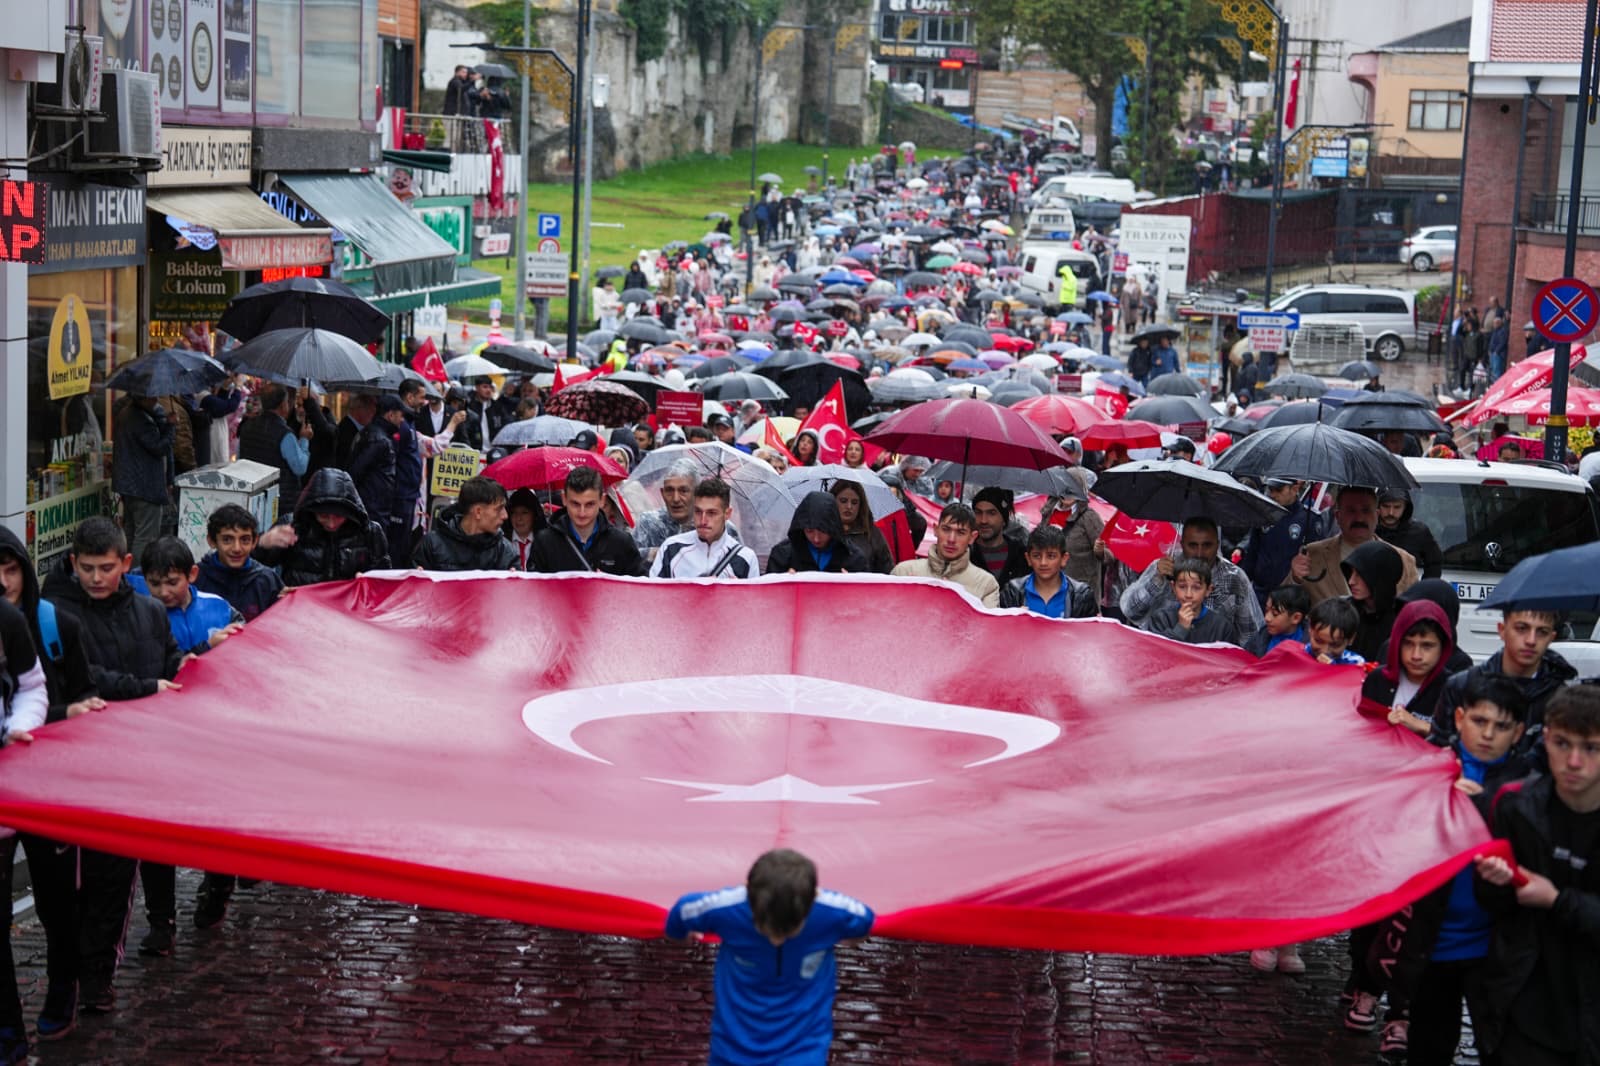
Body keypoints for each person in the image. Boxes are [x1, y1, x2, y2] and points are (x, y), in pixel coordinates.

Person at [41, 518, 182, 1014]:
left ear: (125, 564)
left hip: (137, 767)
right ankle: (77, 967)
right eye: (87, 568)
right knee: (72, 884)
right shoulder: (54, 616)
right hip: (75, 769)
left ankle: (98, 974)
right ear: (73, 564)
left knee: (114, 878)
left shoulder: (150, 613)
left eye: (106, 568)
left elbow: (173, 672)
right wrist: (142, 687)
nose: (96, 578)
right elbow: (80, 680)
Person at [1360, 675, 1535, 1064]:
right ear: (1459, 718)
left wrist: (1484, 803)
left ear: (1519, 731)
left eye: (1501, 726)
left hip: (1496, 943)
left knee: (1499, 1041)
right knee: (1430, 1041)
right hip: (1433, 939)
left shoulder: (1528, 785)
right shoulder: (1429, 767)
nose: (1488, 734)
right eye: (1479, 721)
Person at [1471, 683, 1600, 1066]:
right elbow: (1492, 906)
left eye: (1591, 748)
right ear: (1545, 739)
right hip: (1523, 1005)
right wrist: (1496, 881)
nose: (1574, 761)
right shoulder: (1517, 807)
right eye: (1562, 744)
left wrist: (1557, 900)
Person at [664, 849, 872, 1066]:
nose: (776, 940)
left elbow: (864, 923)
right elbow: (680, 915)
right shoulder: (727, 907)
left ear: (813, 899)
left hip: (802, 1049)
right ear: (746, 891)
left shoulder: (831, 911)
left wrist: (682, 936)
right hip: (734, 1048)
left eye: (788, 930)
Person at [1432, 607, 1577, 750]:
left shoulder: (1562, 701)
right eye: (1521, 628)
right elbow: (1437, 751)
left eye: (1542, 632)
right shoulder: (1461, 685)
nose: (1531, 640)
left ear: (1551, 638)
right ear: (1502, 630)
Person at [1119, 517, 1261, 643]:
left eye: (1207, 545)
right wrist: (1155, 580)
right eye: (1192, 545)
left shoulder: (1234, 578)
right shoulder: (1165, 568)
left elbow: (1249, 635)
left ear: (1217, 545)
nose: (1199, 553)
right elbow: (1131, 611)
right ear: (1182, 543)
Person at [253, 470, 392, 587]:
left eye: (338, 516)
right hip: (301, 611)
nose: (331, 523)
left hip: (349, 611)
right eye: (323, 515)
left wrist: (368, 581)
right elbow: (251, 568)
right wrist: (262, 543)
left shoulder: (370, 533)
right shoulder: (293, 527)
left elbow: (384, 580)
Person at [1290, 486, 1418, 608]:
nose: (1359, 518)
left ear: (1377, 515)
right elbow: (1287, 605)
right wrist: (1295, 578)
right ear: (1337, 516)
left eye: (1366, 510)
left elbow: (1413, 614)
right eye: (1351, 511)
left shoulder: (1404, 561)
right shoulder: (1311, 555)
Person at [531, 467, 643, 575]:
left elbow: (639, 587)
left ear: (602, 501)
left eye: (589, 504)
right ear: (564, 499)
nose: (582, 512)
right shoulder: (544, 542)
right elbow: (532, 588)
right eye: (575, 504)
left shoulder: (622, 542)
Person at [891, 502, 1000, 608]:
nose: (951, 539)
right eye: (946, 530)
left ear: (972, 537)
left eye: (960, 532)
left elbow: (986, 625)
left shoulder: (986, 585)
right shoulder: (903, 573)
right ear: (936, 530)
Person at [192, 504, 285, 622]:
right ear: (212, 541)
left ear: (254, 541)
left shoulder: (267, 581)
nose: (237, 548)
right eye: (227, 540)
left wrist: (289, 601)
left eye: (245, 540)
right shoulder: (196, 579)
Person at [650, 478, 759, 579]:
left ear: (727, 514)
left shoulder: (746, 558)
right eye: (698, 512)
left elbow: (753, 599)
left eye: (711, 513)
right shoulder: (670, 548)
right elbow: (653, 595)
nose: (703, 520)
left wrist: (735, 594)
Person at [1238, 478, 1324, 606]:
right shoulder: (1264, 514)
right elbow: (1253, 553)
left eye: (1278, 490)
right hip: (1259, 593)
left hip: (1288, 597)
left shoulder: (1309, 519)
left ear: (1294, 489)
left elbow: (1314, 564)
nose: (1273, 494)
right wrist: (1241, 585)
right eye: (1271, 489)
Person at [112, 394, 176, 560]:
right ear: (141, 398)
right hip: (145, 486)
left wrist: (163, 421)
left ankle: (125, 573)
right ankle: (137, 576)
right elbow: (159, 447)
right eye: (151, 397)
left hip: (131, 484)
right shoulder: (139, 418)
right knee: (145, 536)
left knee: (131, 531)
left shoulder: (129, 413)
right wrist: (170, 427)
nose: (156, 400)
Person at [412, 476, 519, 571]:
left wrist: (514, 584)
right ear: (478, 512)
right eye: (499, 509)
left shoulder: (505, 552)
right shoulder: (431, 545)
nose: (505, 516)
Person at [238, 386, 312, 522]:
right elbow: (300, 467)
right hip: (279, 503)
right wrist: (304, 440)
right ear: (283, 405)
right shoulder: (284, 434)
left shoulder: (247, 427)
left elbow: (239, 460)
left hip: (252, 496)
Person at [998, 524, 1096, 618]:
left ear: (1064, 559)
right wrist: (1014, 621)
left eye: (1051, 556)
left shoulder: (1081, 595)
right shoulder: (1013, 592)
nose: (1043, 563)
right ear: (1028, 559)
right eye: (1036, 556)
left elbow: (1089, 632)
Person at [1142, 557, 1239, 643]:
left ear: (1208, 590)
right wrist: (1181, 628)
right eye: (1182, 586)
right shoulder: (1161, 619)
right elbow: (1156, 653)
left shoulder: (1222, 627)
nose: (1188, 595)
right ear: (1173, 588)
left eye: (1196, 588)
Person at [1341, 540, 1408, 663]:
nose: (1351, 581)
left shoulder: (1404, 618)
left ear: (1380, 578)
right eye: (1351, 573)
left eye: (1359, 575)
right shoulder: (1342, 611)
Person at [765, 491, 866, 573]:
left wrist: (852, 587)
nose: (816, 538)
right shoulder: (783, 554)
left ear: (833, 528)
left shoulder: (854, 557)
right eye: (809, 531)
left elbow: (867, 595)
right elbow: (767, 594)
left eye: (823, 531)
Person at [348, 395, 400, 531]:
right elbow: (357, 470)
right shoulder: (379, 439)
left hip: (374, 504)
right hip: (374, 507)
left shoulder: (375, 434)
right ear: (390, 415)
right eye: (400, 415)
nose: (402, 420)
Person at [1376, 488, 1443, 580]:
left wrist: (1424, 589)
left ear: (1405, 507)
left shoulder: (1419, 532)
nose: (1391, 512)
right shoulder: (1368, 530)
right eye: (1386, 506)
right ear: (1378, 506)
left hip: (1407, 590)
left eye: (1397, 507)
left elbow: (1434, 563)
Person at [969, 487, 1030, 587]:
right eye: (978, 513)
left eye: (991, 513)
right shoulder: (967, 554)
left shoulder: (1021, 555)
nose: (984, 520)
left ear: (1004, 519)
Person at [829, 480, 893, 574]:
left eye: (854, 502)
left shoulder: (872, 533)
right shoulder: (822, 531)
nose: (849, 506)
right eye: (843, 501)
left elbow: (887, 570)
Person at [1241, 584, 1310, 657]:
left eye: (1275, 614)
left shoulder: (1310, 645)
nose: (1267, 618)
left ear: (1296, 618)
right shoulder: (1261, 637)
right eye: (1266, 610)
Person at [1301, 597, 1364, 665]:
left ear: (1351, 639)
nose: (1325, 651)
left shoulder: (1356, 664)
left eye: (1335, 645)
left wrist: (1332, 669)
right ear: (1310, 629)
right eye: (1318, 641)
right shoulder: (1301, 653)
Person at [458, 377, 508, 452]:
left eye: (490, 387)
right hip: (474, 449)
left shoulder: (497, 407)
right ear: (477, 388)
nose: (488, 390)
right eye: (485, 387)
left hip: (494, 449)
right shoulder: (470, 406)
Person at [503, 487, 547, 571]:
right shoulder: (502, 542)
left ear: (534, 515)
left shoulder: (545, 542)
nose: (518, 518)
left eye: (524, 512)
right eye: (514, 512)